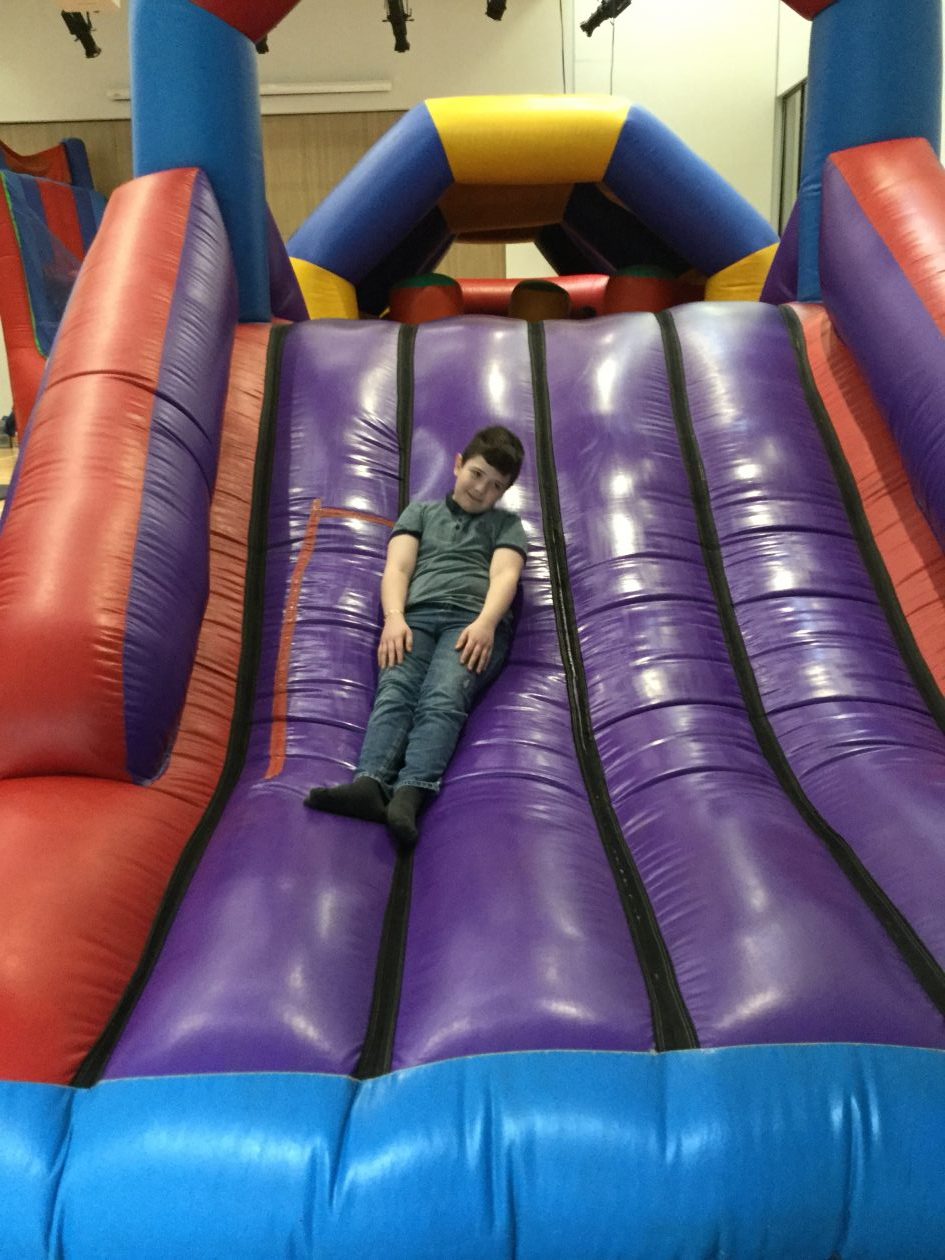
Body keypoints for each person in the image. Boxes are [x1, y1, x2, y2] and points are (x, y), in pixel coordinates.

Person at [305, 425, 527, 849]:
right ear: (458, 464)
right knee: (396, 687)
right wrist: (394, 618)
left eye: (496, 485)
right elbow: (398, 569)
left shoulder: (506, 525)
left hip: (471, 623)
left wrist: (485, 623)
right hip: (416, 617)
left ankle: (410, 791)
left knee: (443, 695)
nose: (481, 489)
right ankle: (369, 783)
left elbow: (505, 575)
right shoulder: (421, 513)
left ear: (505, 492)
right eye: (477, 474)